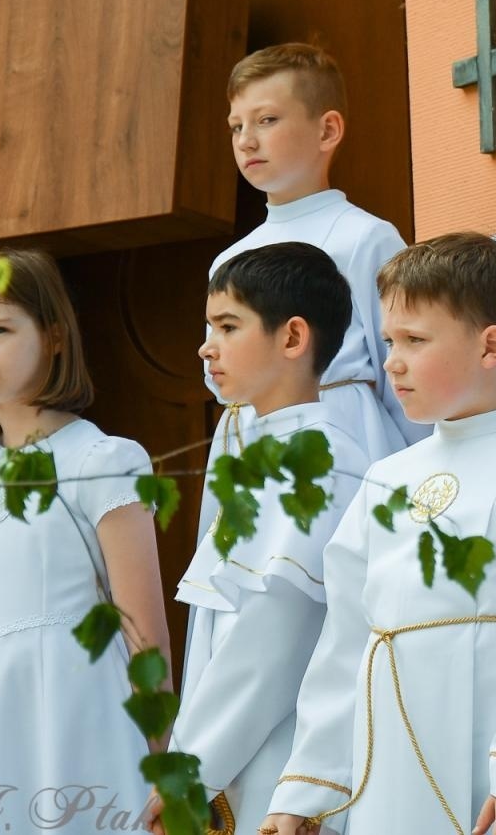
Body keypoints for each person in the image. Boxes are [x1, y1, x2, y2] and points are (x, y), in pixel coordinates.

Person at [262, 233, 496, 835]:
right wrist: (307, 790)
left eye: (415, 341)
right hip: (389, 762)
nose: (392, 362)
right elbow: (348, 641)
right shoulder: (386, 479)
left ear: (490, 346)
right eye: (387, 341)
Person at [0, 250, 169, 834]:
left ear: (55, 335)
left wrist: (168, 764)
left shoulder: (105, 461)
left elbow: (145, 631)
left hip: (82, 705)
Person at [149, 243, 370, 833]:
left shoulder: (317, 463)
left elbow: (274, 635)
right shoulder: (266, 453)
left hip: (283, 750)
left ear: (293, 338)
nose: (206, 346)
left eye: (228, 326)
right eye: (208, 327)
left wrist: (193, 769)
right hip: (233, 747)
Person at [206, 42, 419, 474]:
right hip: (253, 438)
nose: (247, 140)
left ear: (327, 131)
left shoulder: (365, 238)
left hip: (346, 433)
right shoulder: (231, 259)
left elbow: (400, 363)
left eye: (266, 120)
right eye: (235, 126)